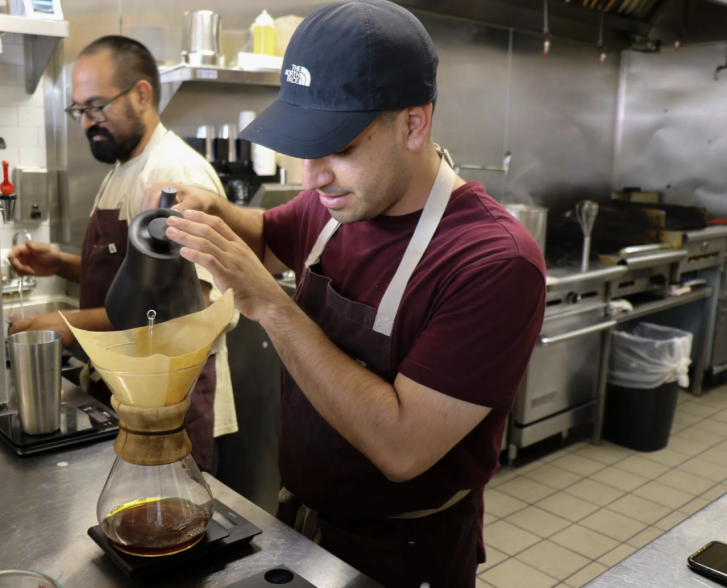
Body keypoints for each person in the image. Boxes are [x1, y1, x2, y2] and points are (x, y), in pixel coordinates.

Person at [143, 1, 546, 586]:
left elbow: (403, 448)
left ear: (414, 123)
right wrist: (218, 211)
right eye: (306, 149)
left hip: (403, 555)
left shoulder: (492, 262)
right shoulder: (336, 204)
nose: (314, 178)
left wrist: (269, 305)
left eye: (341, 147)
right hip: (301, 530)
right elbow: (267, 236)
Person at [8, 35, 238, 472]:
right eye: (79, 109)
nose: (85, 123)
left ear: (141, 94)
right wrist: (61, 264)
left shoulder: (173, 175)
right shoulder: (123, 168)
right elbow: (134, 281)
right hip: (126, 390)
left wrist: (69, 324)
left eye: (97, 106)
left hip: (170, 401)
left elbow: (192, 308)